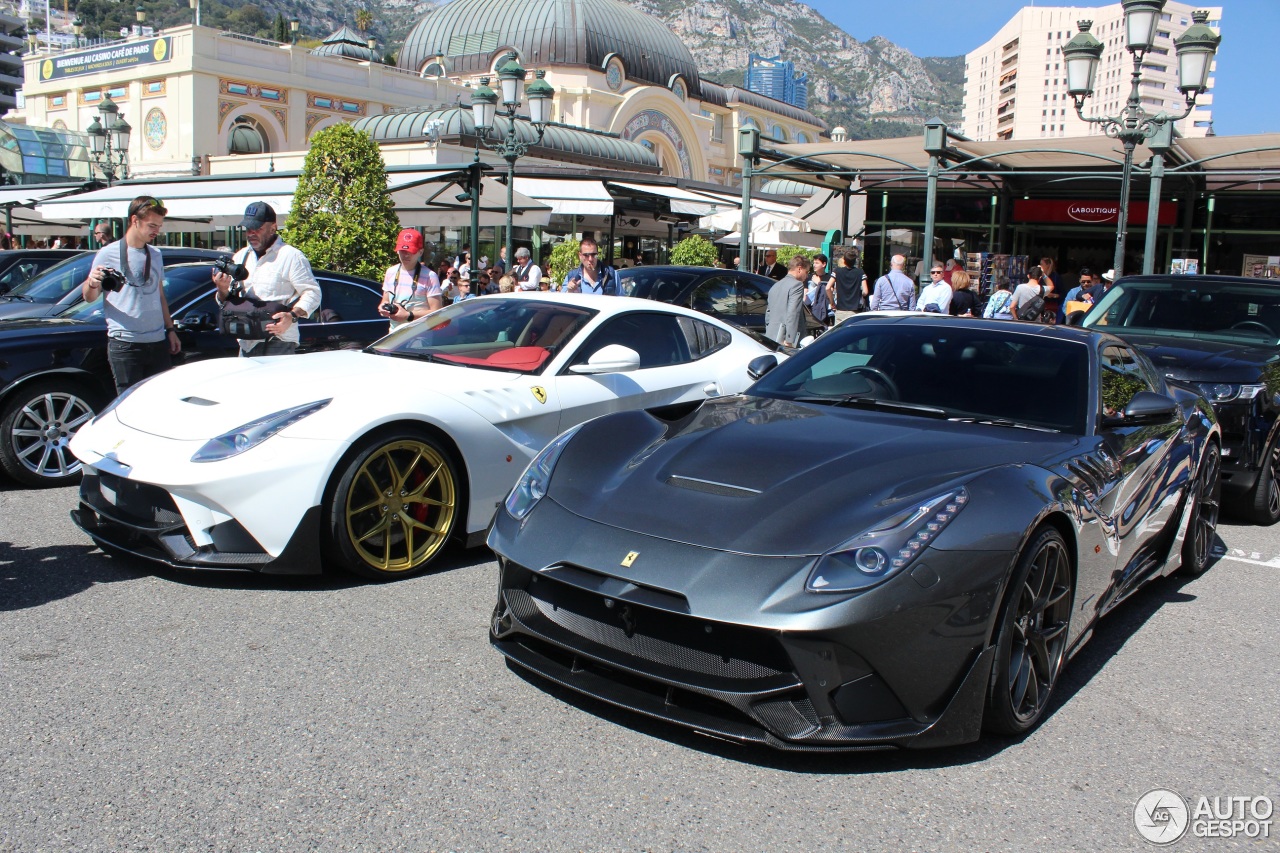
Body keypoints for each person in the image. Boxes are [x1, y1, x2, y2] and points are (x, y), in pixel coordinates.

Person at [80, 196, 180, 394]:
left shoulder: (156, 254)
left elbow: (159, 295)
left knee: (159, 399)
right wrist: (92, 282)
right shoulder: (108, 253)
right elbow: (89, 297)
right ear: (135, 220)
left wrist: (170, 330)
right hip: (125, 343)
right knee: (128, 403)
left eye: (159, 226)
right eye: (152, 225)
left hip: (157, 341)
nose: (156, 231)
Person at [213, 200, 321, 356]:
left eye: (257, 228)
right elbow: (227, 300)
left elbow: (313, 293)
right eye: (248, 229)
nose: (251, 233)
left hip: (279, 340)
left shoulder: (290, 256)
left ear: (273, 228)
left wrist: (292, 316)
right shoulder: (241, 256)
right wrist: (222, 289)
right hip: (246, 342)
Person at [380, 228, 441, 329]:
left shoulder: (430, 276)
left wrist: (408, 315)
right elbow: (384, 301)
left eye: (410, 251)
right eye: (402, 251)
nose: (406, 255)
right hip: (394, 334)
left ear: (420, 252)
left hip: (419, 335)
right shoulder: (391, 272)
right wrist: (383, 308)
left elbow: (437, 312)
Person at [765, 255, 809, 347]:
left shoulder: (775, 285)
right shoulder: (797, 285)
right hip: (787, 339)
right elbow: (793, 312)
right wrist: (790, 339)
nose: (807, 275)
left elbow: (768, 313)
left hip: (771, 336)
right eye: (807, 271)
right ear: (799, 269)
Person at [828, 249, 867, 323]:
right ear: (855, 261)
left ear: (844, 261)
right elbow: (865, 291)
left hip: (840, 310)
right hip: (855, 311)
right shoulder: (860, 272)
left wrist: (832, 302)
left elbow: (828, 287)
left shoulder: (837, 271)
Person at [805, 253, 833, 326]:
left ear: (824, 264)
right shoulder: (808, 277)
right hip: (810, 309)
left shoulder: (829, 278)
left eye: (817, 263)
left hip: (825, 310)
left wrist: (819, 284)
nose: (814, 265)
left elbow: (831, 292)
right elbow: (805, 293)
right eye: (814, 263)